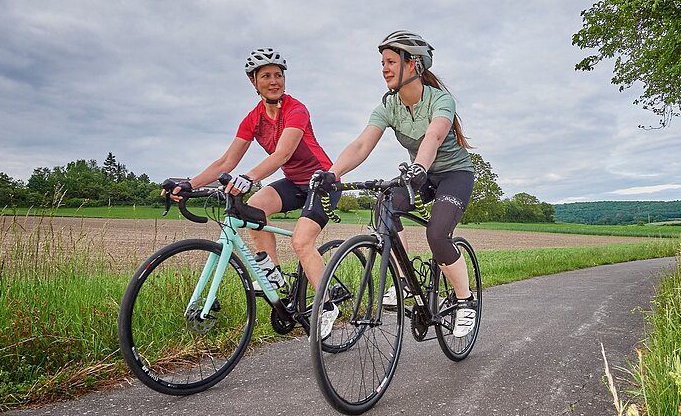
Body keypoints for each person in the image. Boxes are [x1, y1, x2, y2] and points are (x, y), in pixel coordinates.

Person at [311, 30, 477, 339]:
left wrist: (418, 168)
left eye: (390, 61)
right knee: (384, 208)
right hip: (422, 173)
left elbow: (434, 136)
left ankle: (465, 300)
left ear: (413, 64)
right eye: (382, 62)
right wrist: (332, 174)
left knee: (437, 234)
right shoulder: (389, 106)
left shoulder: (440, 100)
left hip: (454, 175)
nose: (384, 68)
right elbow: (361, 145)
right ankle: (403, 282)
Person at [167, 47, 338, 327]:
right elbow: (226, 161)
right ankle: (273, 275)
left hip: (323, 182)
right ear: (253, 82)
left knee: (301, 241)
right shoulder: (254, 118)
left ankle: (326, 304)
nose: (274, 81)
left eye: (278, 75)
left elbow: (282, 154)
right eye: (266, 76)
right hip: (295, 183)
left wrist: (248, 177)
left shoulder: (297, 110)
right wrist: (189, 183)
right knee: (253, 208)